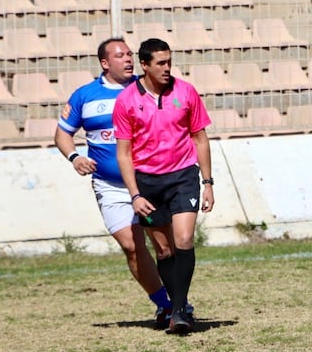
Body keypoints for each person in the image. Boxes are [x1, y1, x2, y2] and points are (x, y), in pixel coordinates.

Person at [54, 38, 175, 329]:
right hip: (110, 186)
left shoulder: (146, 89)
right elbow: (62, 134)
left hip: (149, 182)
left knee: (166, 248)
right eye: (120, 56)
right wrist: (74, 157)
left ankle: (179, 300)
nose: (128, 59)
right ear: (105, 63)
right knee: (132, 247)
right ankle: (165, 304)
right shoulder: (85, 95)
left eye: (130, 54)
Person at [113, 38, 214, 335]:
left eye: (169, 61)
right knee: (164, 249)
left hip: (183, 176)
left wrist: (207, 182)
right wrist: (135, 194)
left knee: (183, 240)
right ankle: (176, 306)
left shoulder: (186, 92)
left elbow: (200, 139)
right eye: (160, 63)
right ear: (144, 65)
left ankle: (179, 310)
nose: (167, 68)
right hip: (147, 182)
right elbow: (124, 153)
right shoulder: (127, 100)